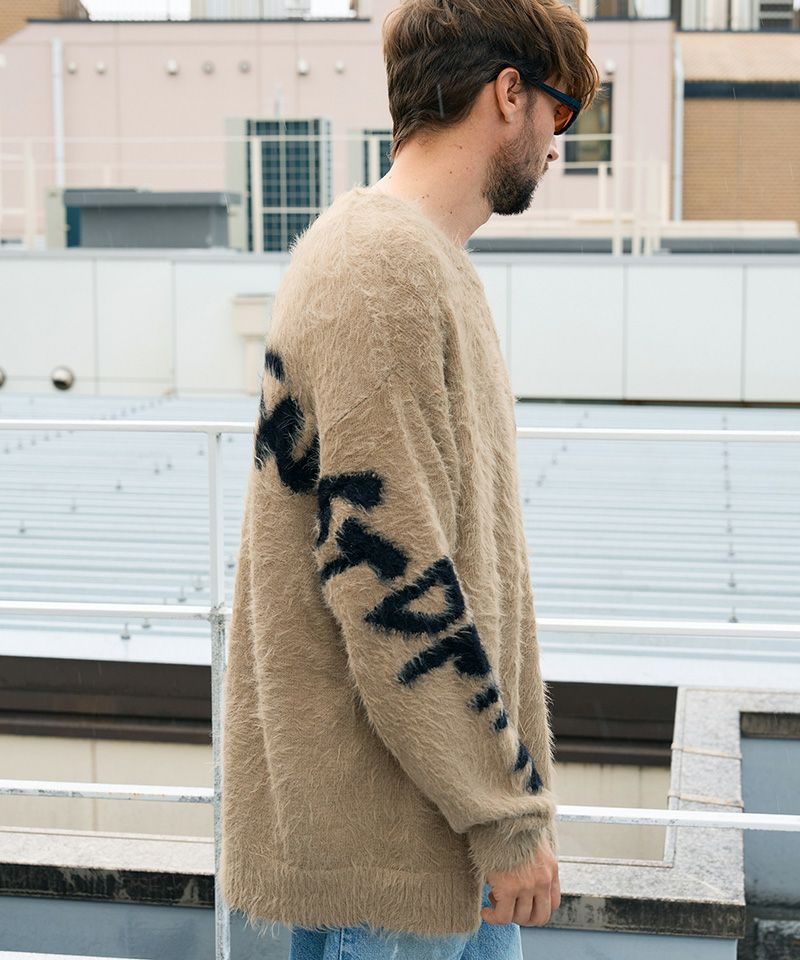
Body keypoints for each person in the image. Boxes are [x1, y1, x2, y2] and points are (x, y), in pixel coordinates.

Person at [219, 1, 601, 957]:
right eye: (560, 111)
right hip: (391, 860)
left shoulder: (420, 263)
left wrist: (505, 804)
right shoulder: (376, 273)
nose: (558, 143)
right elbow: (390, 584)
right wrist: (505, 819)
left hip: (442, 834)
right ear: (508, 94)